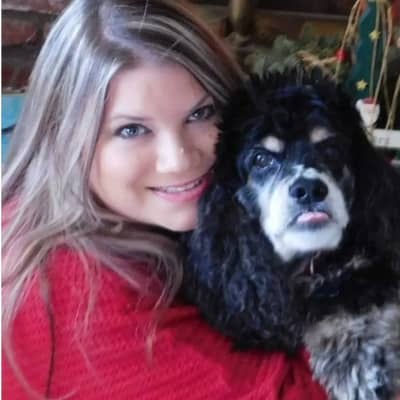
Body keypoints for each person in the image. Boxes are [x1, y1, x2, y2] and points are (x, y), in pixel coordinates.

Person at [2, 1, 327, 399]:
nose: (179, 160)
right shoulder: (76, 290)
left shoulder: (133, 224)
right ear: (65, 138)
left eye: (201, 113)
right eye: (132, 130)